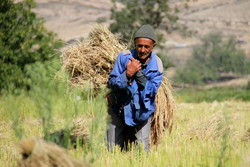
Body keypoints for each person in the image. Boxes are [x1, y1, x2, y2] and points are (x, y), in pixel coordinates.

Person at [107, 24, 163, 151]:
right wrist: (127, 74)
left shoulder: (157, 65)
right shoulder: (123, 57)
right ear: (134, 44)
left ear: (153, 46)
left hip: (142, 111)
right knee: (111, 149)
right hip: (119, 109)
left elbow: (152, 90)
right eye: (139, 46)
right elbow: (112, 84)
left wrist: (138, 74)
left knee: (142, 150)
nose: (142, 50)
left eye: (146, 46)